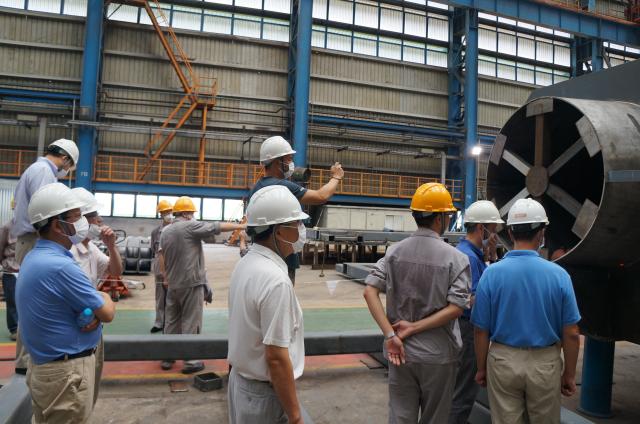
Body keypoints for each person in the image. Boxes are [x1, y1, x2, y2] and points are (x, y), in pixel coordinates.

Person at [363, 182, 471, 424]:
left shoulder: (394, 252)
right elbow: (456, 308)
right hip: (438, 355)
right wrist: (414, 327)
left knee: (400, 415)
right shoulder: (456, 258)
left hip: (399, 351)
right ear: (440, 218)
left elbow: (369, 292)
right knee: (435, 418)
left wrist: (391, 335)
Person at [472, 198, 581, 424]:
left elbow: (481, 330)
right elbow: (571, 333)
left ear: (510, 233)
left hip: (503, 361)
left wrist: (481, 368)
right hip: (545, 364)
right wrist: (569, 374)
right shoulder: (559, 276)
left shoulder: (491, 274)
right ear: (542, 233)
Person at [15, 182, 115, 424]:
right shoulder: (61, 266)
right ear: (58, 225)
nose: (84, 222)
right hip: (66, 375)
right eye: (77, 216)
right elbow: (107, 313)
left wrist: (90, 307)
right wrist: (105, 297)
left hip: (48, 370)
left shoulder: (36, 257)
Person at [227, 185, 312, 424]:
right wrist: (295, 416)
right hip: (263, 394)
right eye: (296, 223)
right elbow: (275, 357)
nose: (301, 229)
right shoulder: (276, 281)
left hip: (240, 383)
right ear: (278, 230)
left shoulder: (246, 263)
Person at [10, 138, 79, 373]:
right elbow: (46, 212)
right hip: (34, 240)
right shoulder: (43, 172)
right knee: (36, 303)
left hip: (29, 240)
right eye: (69, 166)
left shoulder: (35, 169)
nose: (66, 170)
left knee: (34, 301)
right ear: (65, 159)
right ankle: (27, 361)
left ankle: (27, 359)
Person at [159, 196, 245, 373]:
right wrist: (243, 226)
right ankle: (191, 361)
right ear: (186, 214)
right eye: (191, 213)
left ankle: (167, 357)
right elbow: (216, 227)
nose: (193, 216)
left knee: (172, 321)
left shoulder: (166, 231)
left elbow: (162, 256)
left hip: (173, 284)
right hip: (191, 283)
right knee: (191, 321)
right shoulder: (189, 226)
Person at [248, 135, 345, 283]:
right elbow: (321, 196)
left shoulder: (257, 187)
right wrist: (336, 177)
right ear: (277, 162)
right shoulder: (282, 186)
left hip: (263, 252)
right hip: (282, 255)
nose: (291, 163)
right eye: (288, 159)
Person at [449, 200, 503, 424]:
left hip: (460, 328)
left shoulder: (467, 252)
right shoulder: (470, 258)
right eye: (493, 230)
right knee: (462, 392)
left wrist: (490, 257)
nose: (495, 235)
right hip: (468, 330)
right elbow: (472, 301)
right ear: (482, 228)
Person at [69, 187, 123, 406]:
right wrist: (101, 304)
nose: (99, 220)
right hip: (76, 332)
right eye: (93, 216)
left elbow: (115, 271)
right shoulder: (69, 252)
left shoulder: (90, 248)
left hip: (92, 328)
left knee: (91, 387)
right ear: (78, 220)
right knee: (77, 393)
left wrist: (111, 246)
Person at [150, 199, 173, 333]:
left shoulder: (176, 230)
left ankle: (170, 322)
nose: (168, 214)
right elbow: (154, 250)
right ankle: (159, 323)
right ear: (160, 214)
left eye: (169, 212)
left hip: (173, 266)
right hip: (159, 268)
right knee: (160, 297)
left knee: (172, 296)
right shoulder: (155, 232)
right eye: (165, 212)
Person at [0, 222, 19, 341]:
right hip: (11, 271)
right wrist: (5, 264)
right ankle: (14, 329)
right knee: (12, 302)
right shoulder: (7, 228)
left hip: (29, 269)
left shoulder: (34, 226)